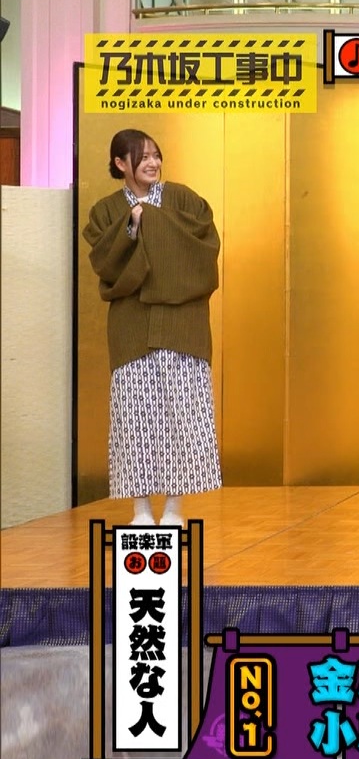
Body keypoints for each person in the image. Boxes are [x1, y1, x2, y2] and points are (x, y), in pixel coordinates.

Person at [82, 129, 222, 526]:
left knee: (182, 417)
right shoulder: (106, 211)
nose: (152, 163)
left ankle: (175, 508)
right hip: (132, 329)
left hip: (183, 327)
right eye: (142, 157)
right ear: (120, 163)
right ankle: (140, 509)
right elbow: (105, 263)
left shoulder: (184, 199)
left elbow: (205, 249)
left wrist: (153, 222)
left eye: (156, 155)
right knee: (134, 420)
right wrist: (131, 223)